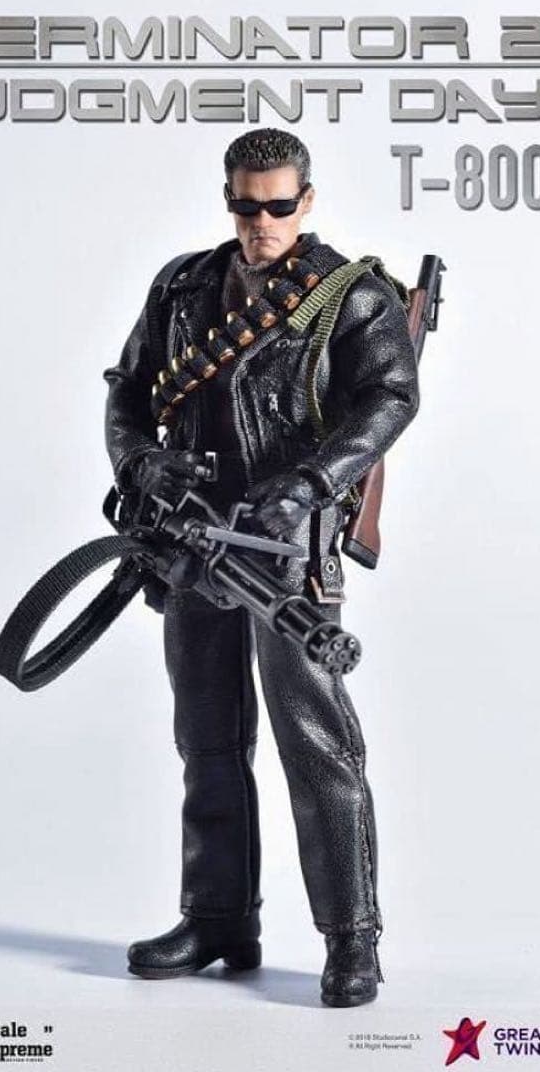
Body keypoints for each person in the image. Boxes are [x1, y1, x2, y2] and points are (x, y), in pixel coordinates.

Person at [103, 128, 419, 1007]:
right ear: (228, 200)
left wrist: (313, 482)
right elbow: (128, 389)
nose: (261, 222)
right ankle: (217, 919)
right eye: (246, 205)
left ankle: (352, 938)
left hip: (287, 545)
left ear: (305, 200)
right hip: (192, 533)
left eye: (278, 205)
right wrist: (139, 463)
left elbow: (391, 398)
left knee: (315, 745)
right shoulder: (183, 287)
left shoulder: (347, 296)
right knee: (206, 739)